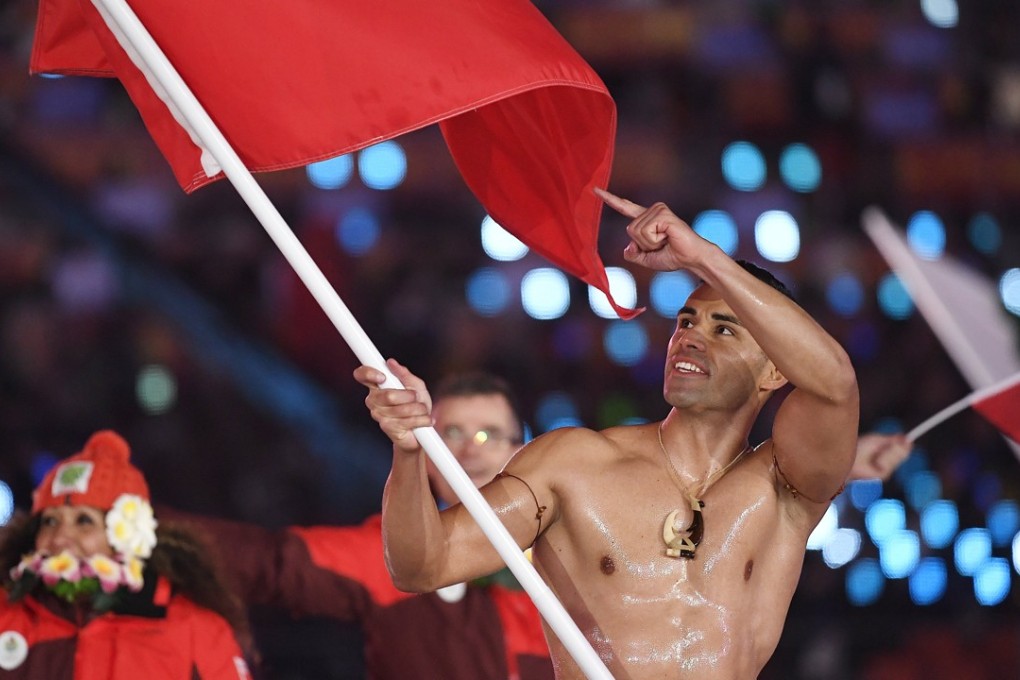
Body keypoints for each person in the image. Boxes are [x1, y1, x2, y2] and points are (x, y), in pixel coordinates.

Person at [355, 189, 861, 679]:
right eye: (686, 322)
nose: (689, 337)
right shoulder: (574, 465)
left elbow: (834, 385)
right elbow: (421, 565)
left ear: (774, 371)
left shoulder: (786, 486)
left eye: (723, 329)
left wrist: (704, 258)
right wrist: (408, 449)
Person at [168, 371, 554, 680]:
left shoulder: (569, 556)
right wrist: (129, 518)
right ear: (429, 453)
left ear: (521, 450)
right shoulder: (396, 556)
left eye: (489, 435)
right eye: (450, 433)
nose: (470, 449)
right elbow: (270, 562)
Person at [0, 430, 253, 679]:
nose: (59, 538)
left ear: (125, 535)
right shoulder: (7, 614)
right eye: (50, 522)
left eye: (84, 521)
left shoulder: (193, 631)